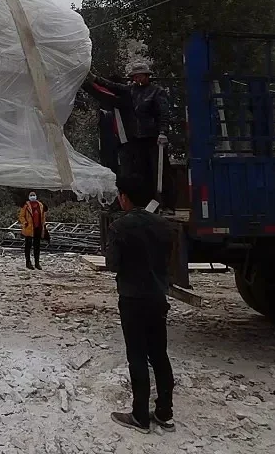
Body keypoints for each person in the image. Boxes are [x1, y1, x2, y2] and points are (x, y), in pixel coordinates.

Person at [105, 174, 175, 434]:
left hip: (132, 298)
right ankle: (165, 414)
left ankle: (139, 416)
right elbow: (168, 260)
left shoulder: (119, 227)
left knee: (137, 355)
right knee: (159, 354)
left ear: (124, 197)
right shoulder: (164, 226)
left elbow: (112, 264)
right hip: (158, 297)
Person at [85, 63, 173, 209]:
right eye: (135, 76)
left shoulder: (156, 92)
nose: (137, 79)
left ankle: (167, 204)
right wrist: (95, 79)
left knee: (160, 172)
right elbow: (112, 86)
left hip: (153, 138)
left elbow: (163, 114)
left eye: (140, 75)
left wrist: (163, 132)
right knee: (141, 172)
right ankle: (148, 203)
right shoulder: (130, 91)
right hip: (136, 139)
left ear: (147, 76)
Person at [18, 191, 49, 270]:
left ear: (36, 196)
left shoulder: (40, 205)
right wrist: (25, 223)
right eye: (31, 195)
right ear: (29, 197)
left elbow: (43, 216)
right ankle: (28, 262)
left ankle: (37, 263)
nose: (32, 197)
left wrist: (43, 226)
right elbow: (21, 216)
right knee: (28, 246)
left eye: (33, 195)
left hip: (38, 228)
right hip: (28, 228)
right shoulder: (26, 205)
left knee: (37, 246)